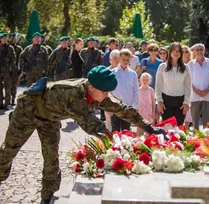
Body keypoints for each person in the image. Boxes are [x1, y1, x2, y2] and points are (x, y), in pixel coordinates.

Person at [0, 65, 165, 204]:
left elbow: (122, 109)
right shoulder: (73, 94)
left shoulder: (98, 91)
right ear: (91, 87)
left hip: (49, 118)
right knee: (8, 152)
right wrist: (118, 144)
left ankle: (47, 196)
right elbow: (91, 124)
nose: (107, 96)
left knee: (51, 156)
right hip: (27, 111)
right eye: (104, 92)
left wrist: (149, 128)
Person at [156, 42, 192, 126]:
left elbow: (188, 86)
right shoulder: (162, 67)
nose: (176, 52)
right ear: (170, 52)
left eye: (178, 51)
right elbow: (158, 85)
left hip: (180, 102)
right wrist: (159, 101)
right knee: (167, 127)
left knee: (178, 127)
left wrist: (187, 102)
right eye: (174, 50)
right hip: (166, 101)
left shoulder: (186, 68)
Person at [110, 49, 139, 132]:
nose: (125, 61)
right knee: (115, 130)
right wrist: (108, 107)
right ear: (119, 59)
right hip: (115, 106)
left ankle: (126, 145)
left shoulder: (132, 74)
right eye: (123, 59)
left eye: (127, 59)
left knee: (126, 131)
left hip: (128, 106)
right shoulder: (112, 73)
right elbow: (109, 91)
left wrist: (136, 107)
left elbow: (136, 91)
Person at [188, 43, 209, 129]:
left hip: (208, 96)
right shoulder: (190, 64)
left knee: (208, 122)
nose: (199, 51)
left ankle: (207, 140)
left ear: (204, 50)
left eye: (201, 49)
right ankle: (196, 140)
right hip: (194, 96)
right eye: (197, 49)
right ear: (194, 51)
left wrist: (208, 90)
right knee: (195, 122)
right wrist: (195, 90)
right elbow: (188, 81)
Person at [0, 33, 16, 110]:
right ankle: (0, 103)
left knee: (7, 87)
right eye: (3, 38)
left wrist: (13, 70)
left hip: (7, 71)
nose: (4, 39)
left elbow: (13, 59)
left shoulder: (10, 48)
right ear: (0, 39)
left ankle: (6, 104)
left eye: (5, 38)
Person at [9, 33, 23, 106]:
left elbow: (21, 59)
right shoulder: (7, 47)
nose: (14, 39)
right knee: (7, 85)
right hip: (7, 69)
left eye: (15, 38)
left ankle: (13, 100)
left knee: (14, 85)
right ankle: (6, 100)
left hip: (15, 69)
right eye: (12, 38)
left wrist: (20, 68)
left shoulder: (19, 48)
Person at [182, 46, 193, 128]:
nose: (184, 53)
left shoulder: (192, 63)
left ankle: (186, 130)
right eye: (183, 51)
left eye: (186, 51)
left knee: (188, 112)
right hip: (178, 89)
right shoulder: (177, 63)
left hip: (189, 89)